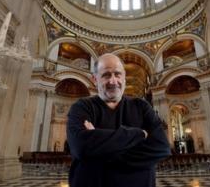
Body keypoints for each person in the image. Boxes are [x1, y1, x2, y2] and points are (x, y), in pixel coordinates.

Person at [67, 53, 171, 187]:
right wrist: (138, 134)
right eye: (106, 75)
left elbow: (161, 148)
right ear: (94, 79)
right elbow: (80, 148)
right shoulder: (81, 107)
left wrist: (99, 147)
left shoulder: (142, 106)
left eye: (117, 74)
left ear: (124, 78)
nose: (113, 81)